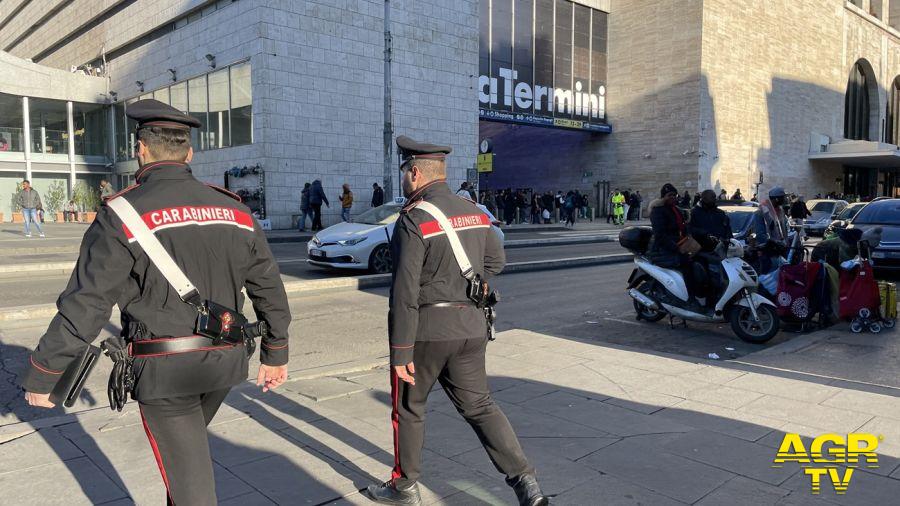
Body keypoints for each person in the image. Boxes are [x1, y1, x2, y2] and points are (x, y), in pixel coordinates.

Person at [21, 99, 292, 505]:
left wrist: (45, 373)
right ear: (189, 153)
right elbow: (269, 287)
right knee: (185, 469)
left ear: (141, 150)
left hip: (166, 373)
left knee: (192, 489)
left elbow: (87, 302)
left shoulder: (122, 214)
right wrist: (276, 352)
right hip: (225, 362)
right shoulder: (235, 210)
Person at [365, 135, 548, 506]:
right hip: (471, 327)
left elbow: (403, 292)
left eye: (404, 173)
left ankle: (404, 488)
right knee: (480, 406)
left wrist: (400, 353)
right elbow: (496, 264)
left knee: (409, 408)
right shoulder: (475, 211)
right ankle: (526, 483)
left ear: (414, 173)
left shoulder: (413, 219)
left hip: (426, 334)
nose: (403, 179)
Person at [649, 183, 698, 301]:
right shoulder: (658, 211)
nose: (673, 197)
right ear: (663, 197)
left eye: (674, 195)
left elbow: (684, 227)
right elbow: (660, 234)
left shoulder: (676, 209)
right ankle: (688, 298)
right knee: (688, 267)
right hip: (664, 250)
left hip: (680, 245)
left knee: (700, 261)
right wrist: (675, 247)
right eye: (669, 195)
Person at [689, 190, 733, 305]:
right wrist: (704, 233)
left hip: (720, 251)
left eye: (714, 197)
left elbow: (727, 229)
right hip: (701, 251)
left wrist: (729, 239)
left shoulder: (720, 213)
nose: (714, 199)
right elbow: (690, 229)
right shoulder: (695, 213)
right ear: (703, 199)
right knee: (706, 278)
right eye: (711, 197)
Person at [754, 186, 791, 274]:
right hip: (769, 251)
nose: (785, 199)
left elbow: (783, 229)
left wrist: (785, 243)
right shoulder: (762, 210)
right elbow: (760, 233)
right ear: (776, 199)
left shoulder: (780, 210)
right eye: (783, 197)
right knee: (769, 277)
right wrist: (771, 245)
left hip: (780, 249)